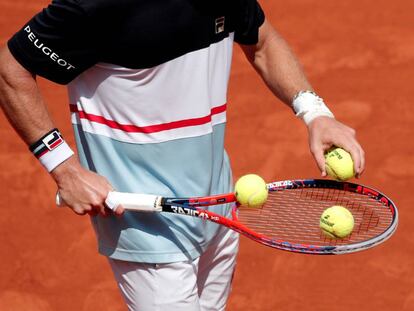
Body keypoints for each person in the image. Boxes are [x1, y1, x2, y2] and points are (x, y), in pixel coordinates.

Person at [0, 0, 365, 310]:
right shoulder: (99, 5)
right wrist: (63, 168)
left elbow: (263, 42)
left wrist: (315, 113)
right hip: (145, 220)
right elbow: (10, 67)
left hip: (219, 207)